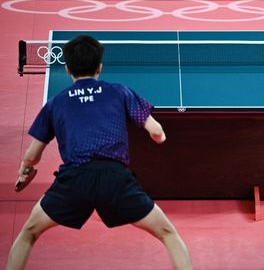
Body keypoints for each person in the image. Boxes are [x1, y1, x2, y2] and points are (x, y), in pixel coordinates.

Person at [6, 36, 193, 270]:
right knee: (167, 233)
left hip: (74, 180)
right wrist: (160, 137)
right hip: (115, 179)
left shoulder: (56, 103)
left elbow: (32, 156)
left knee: (29, 233)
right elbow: (157, 132)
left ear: (67, 68)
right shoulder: (119, 92)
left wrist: (26, 170)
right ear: (100, 67)